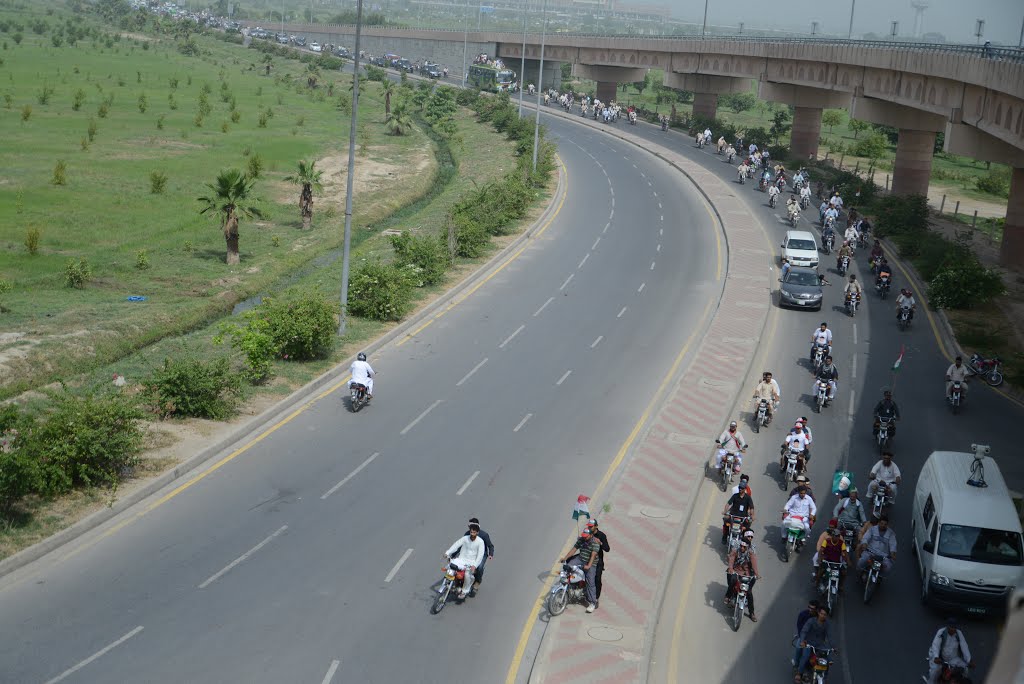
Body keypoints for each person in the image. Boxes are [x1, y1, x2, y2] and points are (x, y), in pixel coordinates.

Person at [561, 527, 602, 613]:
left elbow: (593, 556)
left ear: (591, 535)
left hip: (591, 562)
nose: (584, 537)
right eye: (583, 536)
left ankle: (592, 603)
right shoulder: (581, 540)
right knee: (568, 567)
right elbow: (574, 549)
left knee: (590, 582)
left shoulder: (595, 543)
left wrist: (588, 566)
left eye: (586, 536)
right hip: (580, 558)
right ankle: (568, 588)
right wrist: (565, 558)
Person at [444, 523, 485, 599]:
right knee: (450, 566)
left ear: (477, 532)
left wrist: (474, 565)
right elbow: (456, 545)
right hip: (461, 560)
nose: (472, 533)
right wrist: (448, 552)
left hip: (471, 563)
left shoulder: (480, 542)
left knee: (467, 575)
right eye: (471, 531)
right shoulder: (465, 538)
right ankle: (451, 584)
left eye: (474, 531)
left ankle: (465, 591)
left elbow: (480, 555)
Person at [927, 618, 975, 684]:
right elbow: (936, 645)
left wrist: (969, 660)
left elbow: (964, 646)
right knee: (935, 671)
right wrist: (936, 657)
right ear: (948, 626)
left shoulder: (959, 633)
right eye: (951, 627)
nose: (953, 629)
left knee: (965, 668)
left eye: (954, 627)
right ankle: (930, 682)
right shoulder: (941, 632)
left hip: (953, 658)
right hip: (940, 658)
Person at [724, 536, 760, 621]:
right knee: (732, 580)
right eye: (741, 546)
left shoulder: (751, 553)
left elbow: (754, 563)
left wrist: (756, 574)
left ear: (747, 547)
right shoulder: (736, 550)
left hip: (748, 574)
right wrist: (731, 568)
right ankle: (728, 596)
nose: (742, 548)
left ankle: (752, 613)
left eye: (744, 547)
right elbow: (732, 558)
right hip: (736, 571)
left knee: (749, 593)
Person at [796, 606, 835, 680]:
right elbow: (804, 631)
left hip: (820, 645)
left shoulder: (827, 624)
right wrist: (802, 642)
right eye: (821, 613)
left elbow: (830, 636)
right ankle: (799, 673)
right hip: (809, 643)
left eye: (824, 614)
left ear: (826, 616)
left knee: (826, 658)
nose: (822, 616)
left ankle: (824, 677)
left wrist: (834, 647)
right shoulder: (811, 621)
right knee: (805, 657)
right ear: (818, 613)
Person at [813, 519, 850, 585]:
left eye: (837, 536)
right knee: (819, 565)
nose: (837, 537)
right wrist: (821, 556)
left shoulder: (841, 540)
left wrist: (847, 560)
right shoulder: (825, 537)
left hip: (837, 558)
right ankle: (817, 579)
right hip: (826, 557)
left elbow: (844, 552)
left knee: (844, 572)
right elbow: (819, 547)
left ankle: (840, 585)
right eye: (835, 536)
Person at [465, 517, 494, 591]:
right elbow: (462, 544)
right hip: (470, 553)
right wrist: (453, 554)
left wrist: (490, 554)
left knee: (480, 567)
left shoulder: (484, 535)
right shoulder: (467, 534)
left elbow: (490, 546)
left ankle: (477, 581)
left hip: (482, 555)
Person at [587, 519, 610, 603]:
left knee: (597, 578)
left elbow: (607, 549)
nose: (589, 528)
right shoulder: (587, 533)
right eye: (588, 526)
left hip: (598, 561)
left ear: (596, 526)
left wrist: (600, 543)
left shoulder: (602, 535)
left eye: (591, 526)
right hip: (587, 558)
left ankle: (596, 597)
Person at [792, 600, 821, 667]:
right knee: (798, 648)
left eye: (812, 608)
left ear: (816, 609)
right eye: (809, 607)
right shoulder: (802, 614)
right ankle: (796, 662)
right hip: (803, 636)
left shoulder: (819, 617)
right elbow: (799, 627)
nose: (810, 610)